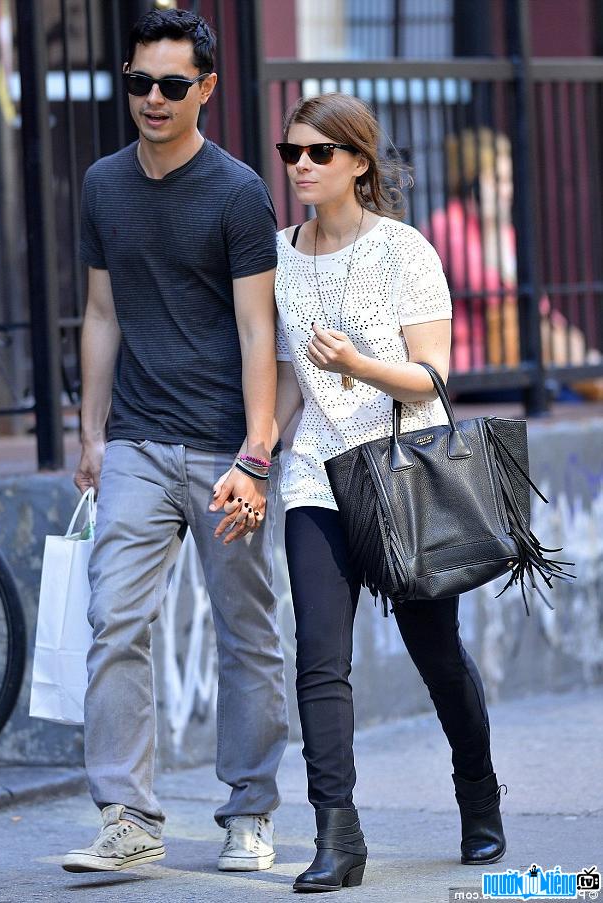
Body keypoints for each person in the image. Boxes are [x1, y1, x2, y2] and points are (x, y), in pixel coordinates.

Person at [213, 93, 507, 893]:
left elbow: (431, 376)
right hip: (318, 473)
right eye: (290, 153)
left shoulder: (405, 250)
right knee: (320, 660)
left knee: (435, 652)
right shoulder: (277, 256)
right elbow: (277, 384)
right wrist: (256, 460)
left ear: (358, 162)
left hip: (401, 472)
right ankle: (338, 836)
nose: (300, 166)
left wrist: (359, 365)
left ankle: (478, 793)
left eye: (317, 153)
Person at [62, 8, 288, 874]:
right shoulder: (102, 185)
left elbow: (257, 330)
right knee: (114, 617)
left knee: (246, 629)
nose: (152, 100)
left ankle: (250, 811)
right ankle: (128, 814)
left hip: (226, 454)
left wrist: (256, 451)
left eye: (171, 85)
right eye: (138, 82)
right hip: (138, 444)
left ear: (208, 89)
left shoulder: (237, 192)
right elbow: (100, 311)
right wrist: (90, 434)